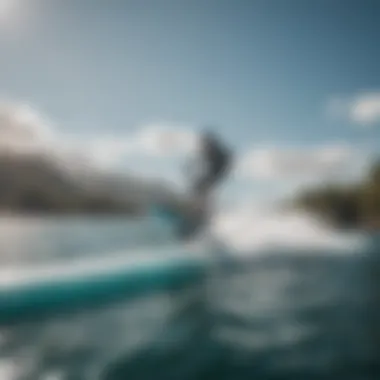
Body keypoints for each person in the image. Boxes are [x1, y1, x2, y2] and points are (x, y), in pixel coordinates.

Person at [178, 129, 233, 239]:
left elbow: (224, 162)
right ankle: (199, 216)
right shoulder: (209, 151)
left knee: (201, 191)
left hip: (215, 175)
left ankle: (201, 219)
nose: (202, 146)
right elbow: (196, 160)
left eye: (204, 143)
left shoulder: (217, 152)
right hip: (211, 175)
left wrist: (213, 178)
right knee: (197, 190)